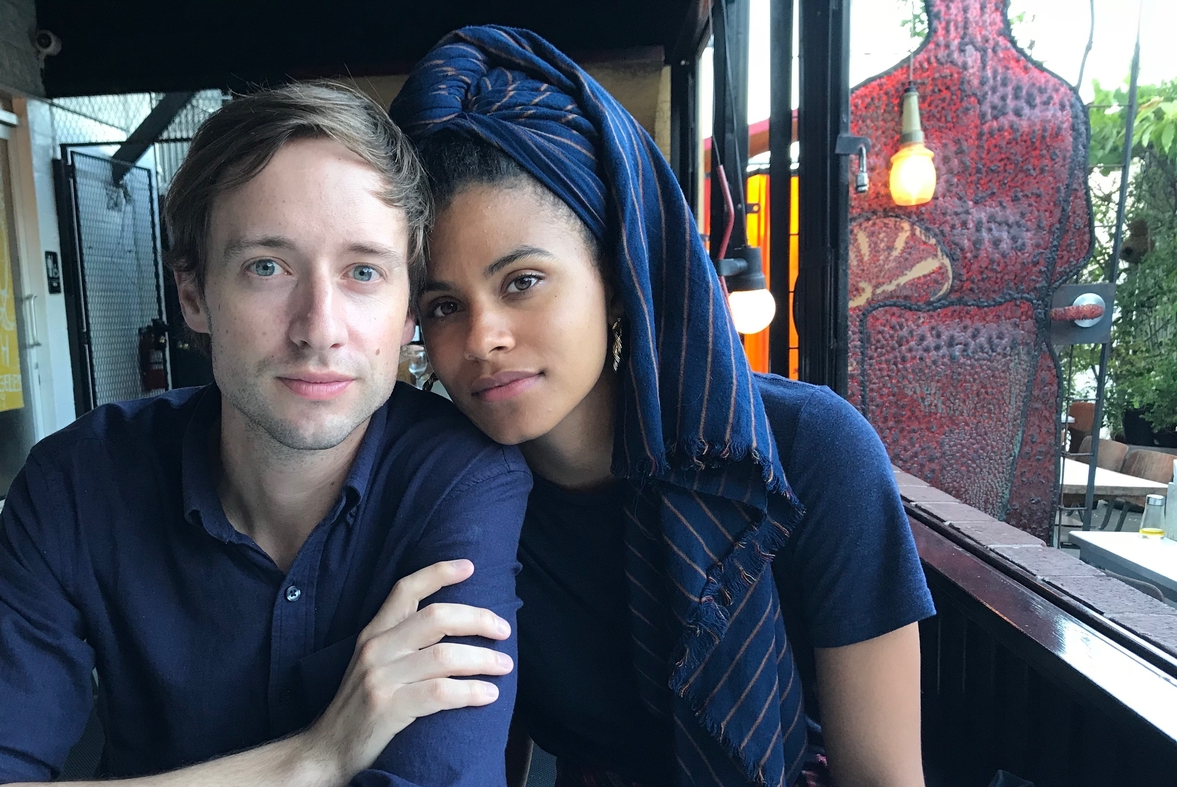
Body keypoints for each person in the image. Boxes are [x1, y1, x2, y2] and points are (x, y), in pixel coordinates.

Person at [0, 82, 531, 787]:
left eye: (363, 271)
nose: (319, 327)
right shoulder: (81, 481)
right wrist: (313, 757)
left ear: (409, 314)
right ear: (193, 294)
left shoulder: (459, 478)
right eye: (266, 267)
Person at [391, 27, 937, 787]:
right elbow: (478, 756)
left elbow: (882, 776)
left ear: (616, 273)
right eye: (444, 305)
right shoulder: (454, 494)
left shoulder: (811, 450)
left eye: (522, 281)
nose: (482, 337)